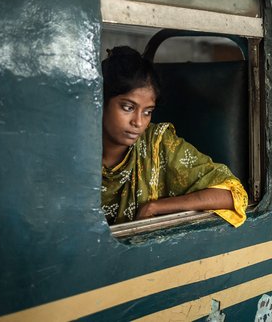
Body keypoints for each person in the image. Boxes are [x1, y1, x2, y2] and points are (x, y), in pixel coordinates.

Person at [100, 46, 248, 227]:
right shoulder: (73, 147)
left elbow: (232, 194)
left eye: (147, 112)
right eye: (128, 107)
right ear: (101, 101)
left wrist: (155, 207)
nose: (138, 122)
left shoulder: (158, 144)